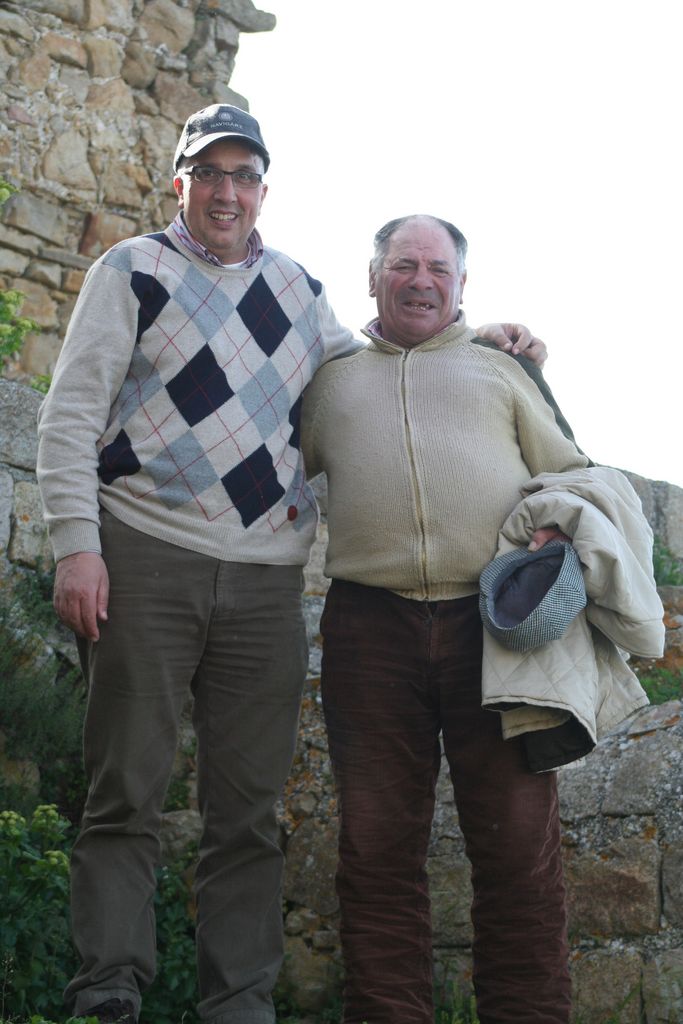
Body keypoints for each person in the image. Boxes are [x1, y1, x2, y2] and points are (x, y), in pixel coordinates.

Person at [36, 105, 546, 1024]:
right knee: (125, 794)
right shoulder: (130, 271)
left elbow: (385, 365)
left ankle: (239, 1004)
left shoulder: (298, 293)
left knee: (248, 813)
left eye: (244, 175)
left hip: (265, 581)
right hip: (145, 557)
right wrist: (78, 545)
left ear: (264, 190)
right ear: (181, 183)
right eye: (210, 173)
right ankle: (108, 991)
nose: (226, 192)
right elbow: (69, 415)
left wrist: (484, 340)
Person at [300, 214, 594, 1024]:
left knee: (518, 851)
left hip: (494, 629)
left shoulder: (501, 368)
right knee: (374, 852)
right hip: (368, 631)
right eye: (403, 265)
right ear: (372, 278)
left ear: (462, 285)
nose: (420, 280)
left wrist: (554, 520)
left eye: (437, 268)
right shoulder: (327, 382)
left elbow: (572, 472)